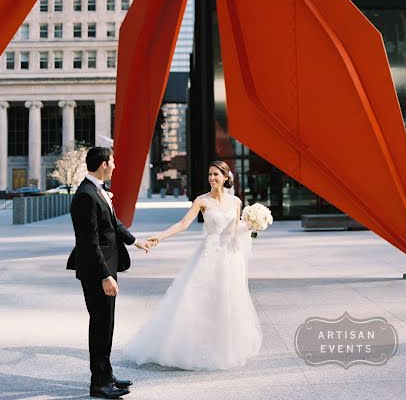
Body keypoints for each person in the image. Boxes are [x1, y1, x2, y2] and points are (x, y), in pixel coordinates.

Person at [121, 160, 263, 370]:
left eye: (216, 174)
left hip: (229, 258)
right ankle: (190, 346)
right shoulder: (201, 201)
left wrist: (252, 224)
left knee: (226, 302)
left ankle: (223, 347)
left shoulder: (235, 202)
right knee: (196, 300)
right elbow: (183, 224)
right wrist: (161, 236)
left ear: (225, 177)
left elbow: (233, 231)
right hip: (208, 254)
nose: (212, 178)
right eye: (210, 174)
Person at [67, 146, 151, 399]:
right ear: (104, 164)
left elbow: (113, 224)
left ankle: (106, 375)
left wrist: (135, 241)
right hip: (97, 272)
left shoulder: (97, 190)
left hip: (106, 267)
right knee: (101, 325)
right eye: (112, 161)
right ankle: (98, 384)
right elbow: (88, 242)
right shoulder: (85, 196)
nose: (115, 165)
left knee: (107, 324)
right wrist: (105, 276)